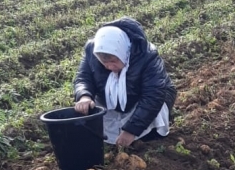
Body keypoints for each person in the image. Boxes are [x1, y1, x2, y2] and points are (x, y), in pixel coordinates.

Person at [74, 18, 176, 148]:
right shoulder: (92, 50)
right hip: (110, 101)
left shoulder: (146, 55)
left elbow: (153, 95)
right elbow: (84, 77)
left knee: (149, 129)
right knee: (90, 117)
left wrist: (131, 130)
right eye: (104, 63)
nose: (109, 67)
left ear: (122, 52)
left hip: (142, 100)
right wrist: (84, 96)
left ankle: (147, 133)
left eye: (113, 61)